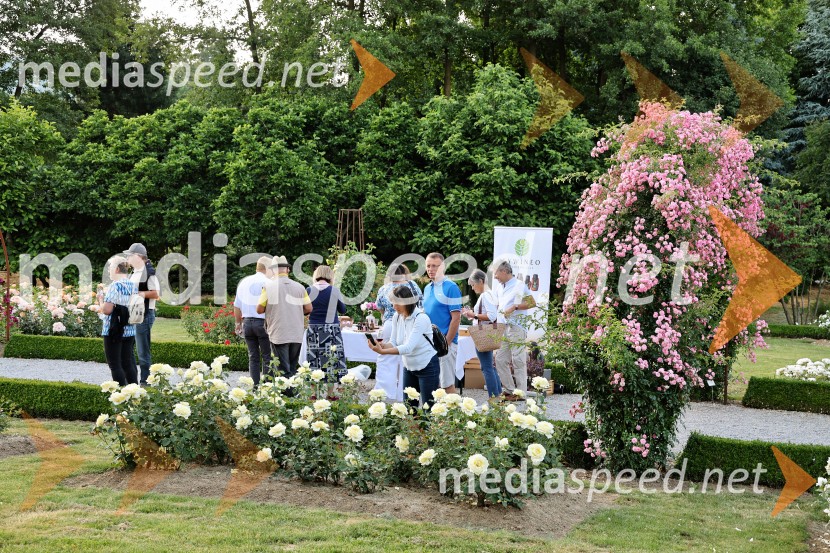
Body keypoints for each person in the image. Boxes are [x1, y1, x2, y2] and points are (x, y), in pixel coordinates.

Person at [368, 286, 440, 409]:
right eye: (393, 303)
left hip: (427, 366)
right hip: (409, 366)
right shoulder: (397, 316)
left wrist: (383, 351)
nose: (394, 306)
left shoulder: (421, 318)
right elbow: (394, 342)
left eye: (396, 303)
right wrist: (382, 345)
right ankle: (413, 428)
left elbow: (408, 348)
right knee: (409, 408)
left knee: (429, 409)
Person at [373, 264, 423, 401]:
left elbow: (379, 308)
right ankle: (404, 392)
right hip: (409, 322)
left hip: (389, 323)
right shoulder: (412, 285)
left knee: (385, 357)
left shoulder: (384, 288)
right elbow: (421, 304)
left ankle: (383, 392)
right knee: (406, 357)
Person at [256, 255, 312, 378]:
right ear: (288, 270)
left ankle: (286, 394)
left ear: (274, 270)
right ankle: (292, 393)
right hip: (296, 332)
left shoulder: (268, 287)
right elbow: (309, 308)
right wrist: (295, 311)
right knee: (291, 367)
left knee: (282, 369)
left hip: (278, 332)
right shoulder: (300, 287)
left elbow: (259, 309)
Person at [493, 261, 533, 399]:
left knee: (518, 360)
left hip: (516, 327)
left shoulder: (519, 285)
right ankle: (510, 390)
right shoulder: (499, 287)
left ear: (504, 271)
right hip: (504, 327)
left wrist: (515, 307)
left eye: (496, 273)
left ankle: (521, 394)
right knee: (500, 360)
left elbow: (532, 302)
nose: (495, 276)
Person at [423, 252, 461, 393]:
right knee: (433, 384)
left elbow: (456, 318)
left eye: (435, 266)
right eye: (428, 266)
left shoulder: (451, 288)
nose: (431, 269)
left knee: (447, 385)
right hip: (429, 344)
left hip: (446, 344)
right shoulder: (427, 288)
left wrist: (446, 343)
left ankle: (455, 414)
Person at [461, 269, 502, 398]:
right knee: (490, 367)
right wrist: (472, 315)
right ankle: (497, 396)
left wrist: (475, 315)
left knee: (487, 368)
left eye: (473, 285)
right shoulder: (490, 294)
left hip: (482, 335)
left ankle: (494, 399)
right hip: (487, 333)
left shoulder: (486, 295)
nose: (472, 288)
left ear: (481, 281)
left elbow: (491, 316)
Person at [233, 256, 274, 387]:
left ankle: (255, 387)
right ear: (267, 268)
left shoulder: (244, 282)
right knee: (267, 356)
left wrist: (238, 323)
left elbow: (236, 305)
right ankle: (267, 387)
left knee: (253, 357)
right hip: (263, 323)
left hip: (247, 323)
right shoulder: (269, 283)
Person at [99, 258, 139, 386]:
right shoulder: (133, 285)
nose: (109, 271)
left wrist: (100, 300)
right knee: (127, 363)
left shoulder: (114, 285)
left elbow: (107, 310)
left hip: (114, 330)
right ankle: (134, 393)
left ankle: (121, 395)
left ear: (116, 269)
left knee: (115, 365)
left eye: (110, 268)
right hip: (130, 329)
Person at [124, 243, 160, 385]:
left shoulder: (149, 272)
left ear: (138, 256)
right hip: (134, 314)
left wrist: (137, 293)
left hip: (144, 315)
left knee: (142, 352)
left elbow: (156, 294)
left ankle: (146, 381)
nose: (128, 258)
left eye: (130, 255)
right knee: (130, 349)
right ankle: (132, 379)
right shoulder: (135, 272)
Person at [306, 265, 348, 379]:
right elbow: (343, 310)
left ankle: (314, 393)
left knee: (314, 359)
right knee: (332, 359)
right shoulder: (334, 291)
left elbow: (304, 310)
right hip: (331, 329)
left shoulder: (309, 290)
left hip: (313, 328)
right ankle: (330, 394)